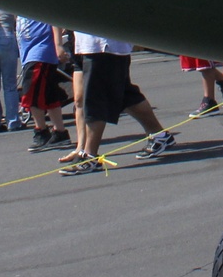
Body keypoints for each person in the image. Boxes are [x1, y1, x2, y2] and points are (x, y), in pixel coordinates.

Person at [59, 32, 174, 174]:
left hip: (102, 46)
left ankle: (90, 156)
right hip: (94, 45)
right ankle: (160, 136)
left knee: (96, 99)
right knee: (127, 97)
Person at [14, 16, 68, 149]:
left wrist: (58, 45)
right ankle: (60, 132)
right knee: (49, 96)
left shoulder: (37, 0)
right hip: (29, 54)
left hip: (41, 53)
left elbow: (54, 19)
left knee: (30, 94)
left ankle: (41, 131)